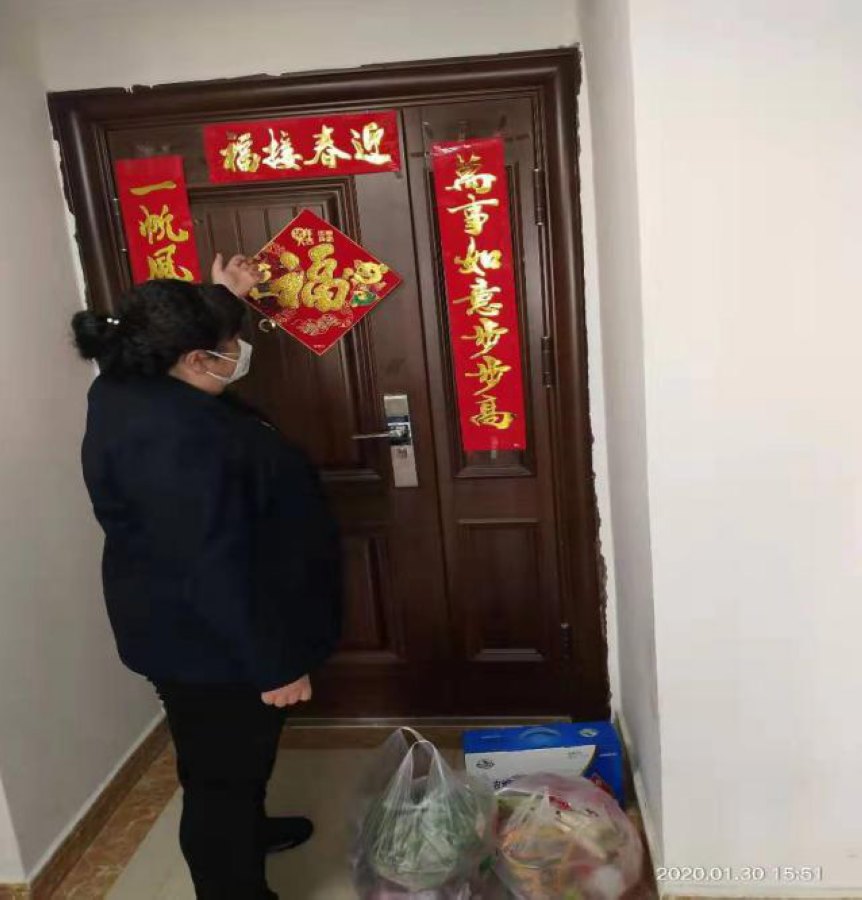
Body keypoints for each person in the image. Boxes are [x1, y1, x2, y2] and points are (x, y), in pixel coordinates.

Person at [72, 254, 342, 900]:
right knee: (221, 781)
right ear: (194, 359)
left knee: (231, 761)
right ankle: (233, 881)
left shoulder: (127, 376)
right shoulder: (175, 438)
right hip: (211, 644)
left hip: (186, 625)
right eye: (230, 345)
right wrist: (274, 665)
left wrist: (226, 296)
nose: (239, 352)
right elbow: (208, 566)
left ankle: (250, 830)